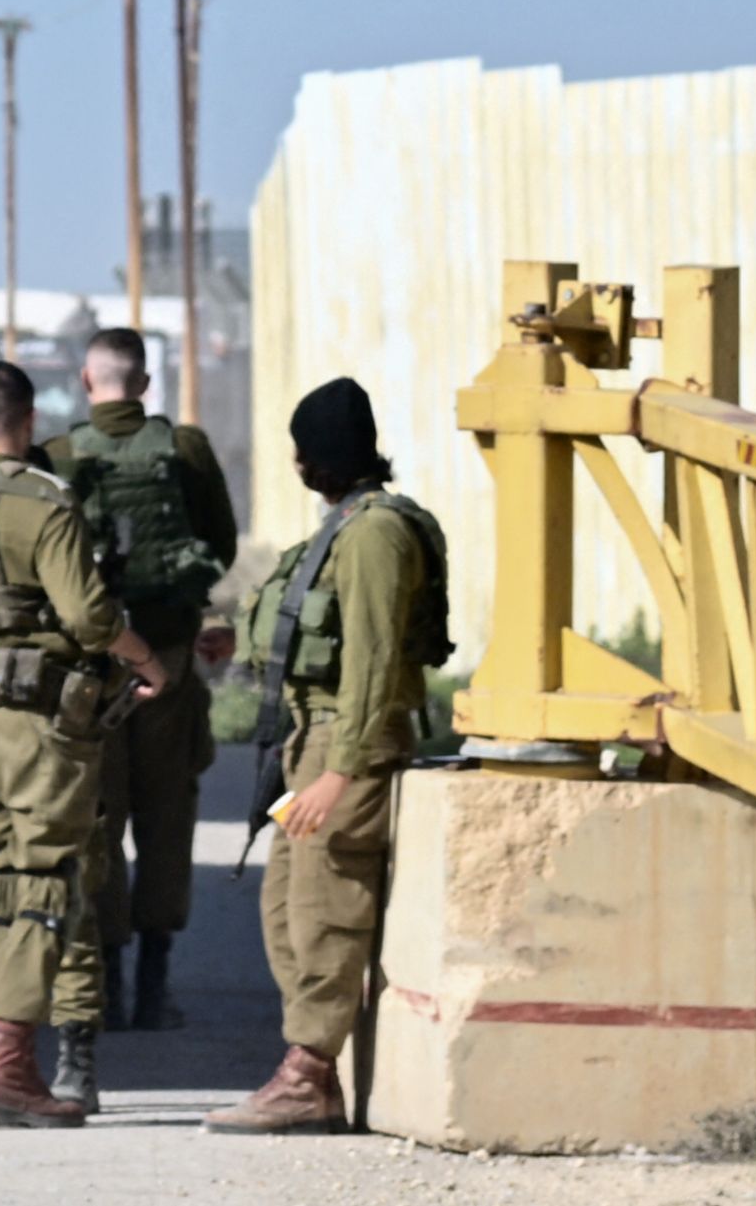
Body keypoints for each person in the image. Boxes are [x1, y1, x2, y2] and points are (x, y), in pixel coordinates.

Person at [0, 361, 165, 1128]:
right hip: (42, 721)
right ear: (29, 420)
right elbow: (88, 616)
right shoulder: (43, 502)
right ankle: (16, 1064)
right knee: (50, 877)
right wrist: (148, 662)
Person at [205, 377, 433, 1136]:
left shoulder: (373, 535)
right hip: (310, 742)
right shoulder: (339, 527)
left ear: (320, 456)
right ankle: (314, 1064)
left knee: (327, 901)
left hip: (348, 744)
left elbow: (369, 657)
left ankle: (307, 1074)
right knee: (286, 904)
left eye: (302, 451)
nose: (297, 463)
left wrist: (343, 770)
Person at [43, 328, 238, 1045]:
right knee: (166, 819)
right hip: (172, 659)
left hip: (91, 671)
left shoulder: (58, 457)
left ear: (86, 383)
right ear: (146, 384)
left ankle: (107, 985)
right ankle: (155, 988)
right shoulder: (185, 450)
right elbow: (217, 543)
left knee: (98, 819)